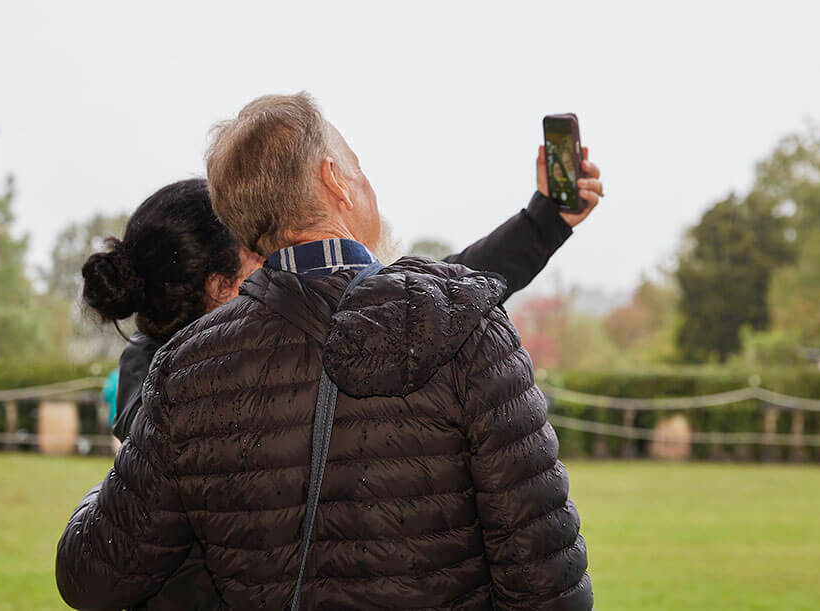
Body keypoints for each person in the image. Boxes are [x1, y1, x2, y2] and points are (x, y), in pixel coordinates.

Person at [58, 93, 598, 610]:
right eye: (357, 165)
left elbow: (92, 577)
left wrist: (115, 478)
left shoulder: (180, 376)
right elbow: (547, 584)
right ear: (334, 180)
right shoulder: (465, 331)